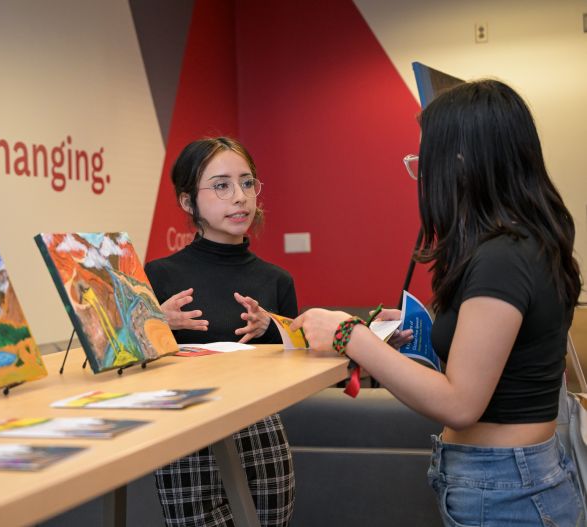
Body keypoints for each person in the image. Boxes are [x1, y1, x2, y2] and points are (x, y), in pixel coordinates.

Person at [292, 79, 585, 526]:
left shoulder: (502, 257)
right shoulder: (526, 242)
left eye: (424, 160)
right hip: (512, 479)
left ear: (462, 162)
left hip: (505, 488)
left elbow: (460, 403)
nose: (422, 174)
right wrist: (429, 324)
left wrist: (349, 334)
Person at [145, 137, 296, 526]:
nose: (240, 198)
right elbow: (130, 368)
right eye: (221, 185)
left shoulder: (276, 280)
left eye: (247, 183)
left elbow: (298, 365)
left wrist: (274, 327)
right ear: (186, 202)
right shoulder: (158, 275)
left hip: (261, 432)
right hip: (185, 435)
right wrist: (153, 324)